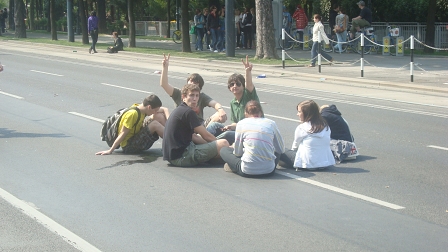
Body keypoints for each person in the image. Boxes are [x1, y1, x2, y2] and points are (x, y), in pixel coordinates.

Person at [162, 84, 229, 167]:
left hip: (172, 157)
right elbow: (206, 136)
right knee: (223, 143)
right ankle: (231, 161)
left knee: (215, 147)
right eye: (191, 95)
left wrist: (209, 146)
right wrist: (219, 145)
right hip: (182, 156)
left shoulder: (180, 109)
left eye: (197, 96)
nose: (195, 99)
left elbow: (195, 136)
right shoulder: (188, 112)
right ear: (183, 97)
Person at [159, 54, 227, 131]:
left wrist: (221, 110)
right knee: (159, 116)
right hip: (183, 124)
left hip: (199, 124)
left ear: (199, 88)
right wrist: (165, 67)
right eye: (190, 81)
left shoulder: (201, 96)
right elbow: (164, 84)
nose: (194, 98)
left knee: (219, 115)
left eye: (195, 83)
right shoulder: (178, 93)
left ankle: (204, 134)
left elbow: (214, 103)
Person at [220, 100, 284, 176]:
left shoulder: (241, 123)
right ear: (261, 112)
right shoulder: (271, 123)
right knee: (275, 147)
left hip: (247, 171)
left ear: (245, 113)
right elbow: (281, 149)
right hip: (269, 170)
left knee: (224, 150)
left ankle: (234, 166)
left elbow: (238, 153)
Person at [209, 55, 259, 145]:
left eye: (238, 84)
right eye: (232, 84)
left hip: (248, 133)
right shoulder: (232, 103)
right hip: (238, 130)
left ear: (243, 86)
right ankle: (205, 138)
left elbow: (249, 85)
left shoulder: (248, 96)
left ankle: (210, 143)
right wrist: (230, 126)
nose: (235, 86)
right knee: (214, 125)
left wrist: (247, 71)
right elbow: (235, 123)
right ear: (229, 88)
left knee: (227, 134)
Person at [95, 95, 168, 155]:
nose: (155, 112)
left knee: (159, 116)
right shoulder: (133, 114)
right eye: (154, 110)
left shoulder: (141, 107)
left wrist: (169, 121)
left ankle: (174, 139)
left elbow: (164, 109)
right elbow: (123, 133)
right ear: (149, 107)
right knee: (155, 124)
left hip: (136, 134)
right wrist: (110, 151)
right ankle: (173, 143)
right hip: (129, 145)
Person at [279, 100, 335, 170]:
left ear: (307, 113)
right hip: (325, 163)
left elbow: (295, 146)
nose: (297, 114)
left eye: (299, 112)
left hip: (307, 164)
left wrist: (291, 156)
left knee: (279, 149)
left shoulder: (302, 127)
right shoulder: (326, 126)